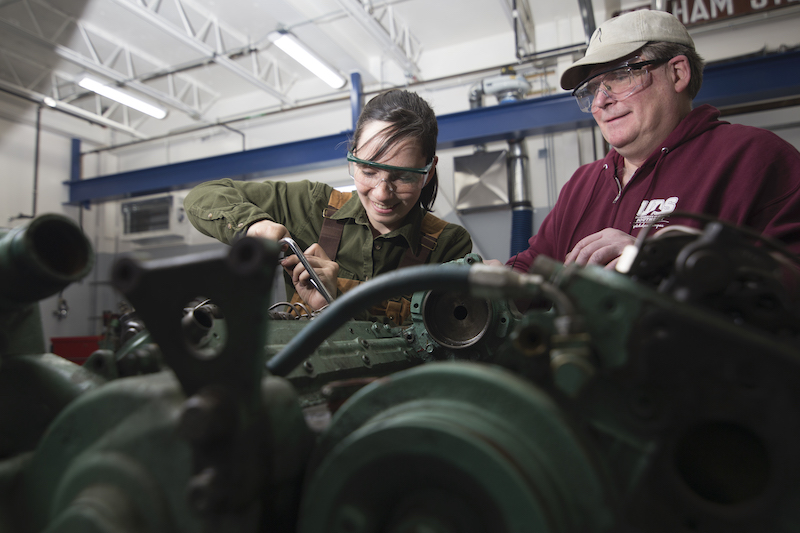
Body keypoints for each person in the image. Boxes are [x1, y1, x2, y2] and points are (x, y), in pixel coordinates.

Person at [507, 9, 800, 275]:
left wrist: (656, 259)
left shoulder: (754, 158)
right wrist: (487, 280)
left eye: (620, 76)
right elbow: (533, 269)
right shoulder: (582, 184)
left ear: (677, 73)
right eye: (592, 88)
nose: (600, 101)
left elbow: (788, 280)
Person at [184, 89, 472, 325]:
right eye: (369, 172)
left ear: (428, 172)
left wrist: (337, 299)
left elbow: (446, 336)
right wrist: (253, 225)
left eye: (404, 176)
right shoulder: (312, 206)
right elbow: (203, 196)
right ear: (353, 157)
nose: (382, 194)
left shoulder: (448, 246)